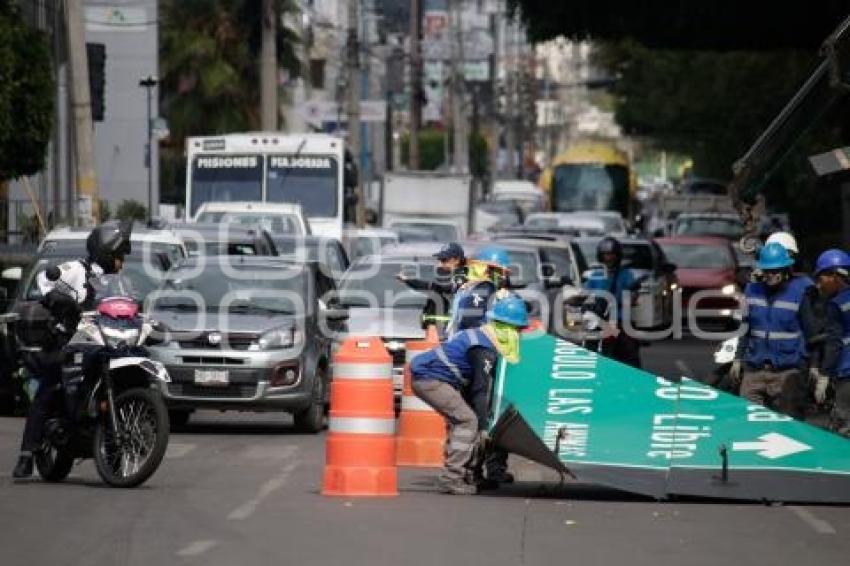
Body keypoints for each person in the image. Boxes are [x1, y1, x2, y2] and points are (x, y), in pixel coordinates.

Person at [12, 221, 132, 479]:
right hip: (68, 338)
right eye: (119, 257)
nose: (122, 263)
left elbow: (127, 306)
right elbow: (47, 277)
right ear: (106, 253)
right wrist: (58, 299)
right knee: (49, 386)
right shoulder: (78, 269)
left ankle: (111, 449)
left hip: (101, 341)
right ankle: (26, 455)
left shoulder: (118, 283)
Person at [411, 292, 528, 495]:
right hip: (430, 379)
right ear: (510, 328)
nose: (520, 334)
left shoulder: (486, 335)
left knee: (466, 419)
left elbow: (474, 386)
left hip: (435, 378)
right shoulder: (484, 348)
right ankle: (451, 478)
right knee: (467, 421)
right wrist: (483, 426)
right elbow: (480, 389)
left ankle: (468, 473)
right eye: (519, 329)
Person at [729, 242, 815, 420]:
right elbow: (745, 329)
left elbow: (810, 334)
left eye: (775, 271)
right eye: (767, 271)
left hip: (787, 372)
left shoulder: (799, 293)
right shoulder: (752, 291)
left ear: (785, 270)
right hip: (755, 370)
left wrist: (813, 366)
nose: (771, 275)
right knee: (747, 419)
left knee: (789, 426)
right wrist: (738, 358)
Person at [582, 236, 641, 368]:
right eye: (605, 255)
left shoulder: (626, 275)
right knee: (587, 347)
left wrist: (632, 296)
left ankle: (635, 377)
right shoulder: (596, 275)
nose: (608, 258)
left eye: (611, 254)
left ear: (617, 256)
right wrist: (572, 298)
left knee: (630, 351)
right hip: (598, 320)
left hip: (619, 320)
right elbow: (584, 293)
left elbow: (633, 295)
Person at [814, 249, 850, 436]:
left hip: (847, 372)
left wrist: (824, 374)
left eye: (822, 277)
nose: (819, 284)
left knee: (843, 427)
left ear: (835, 276)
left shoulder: (836, 304)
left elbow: (834, 343)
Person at [444, 246, 511, 337]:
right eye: (500, 272)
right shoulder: (485, 287)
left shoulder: (471, 286)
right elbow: (470, 320)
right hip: (471, 343)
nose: (503, 277)